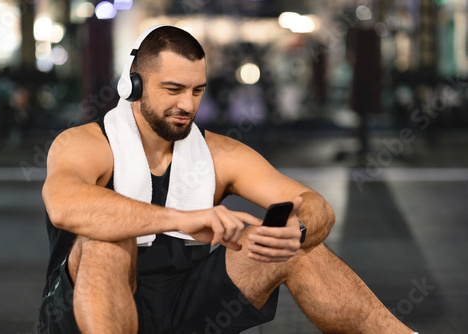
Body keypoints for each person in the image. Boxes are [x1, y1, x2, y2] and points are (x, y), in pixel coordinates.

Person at [38, 26, 418, 334]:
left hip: (186, 309)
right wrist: (182, 219)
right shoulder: (86, 144)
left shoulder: (219, 153)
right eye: (173, 90)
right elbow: (63, 203)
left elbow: (314, 203)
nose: (187, 104)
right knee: (107, 239)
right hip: (83, 315)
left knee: (296, 250)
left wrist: (297, 231)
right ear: (133, 87)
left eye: (197, 90)